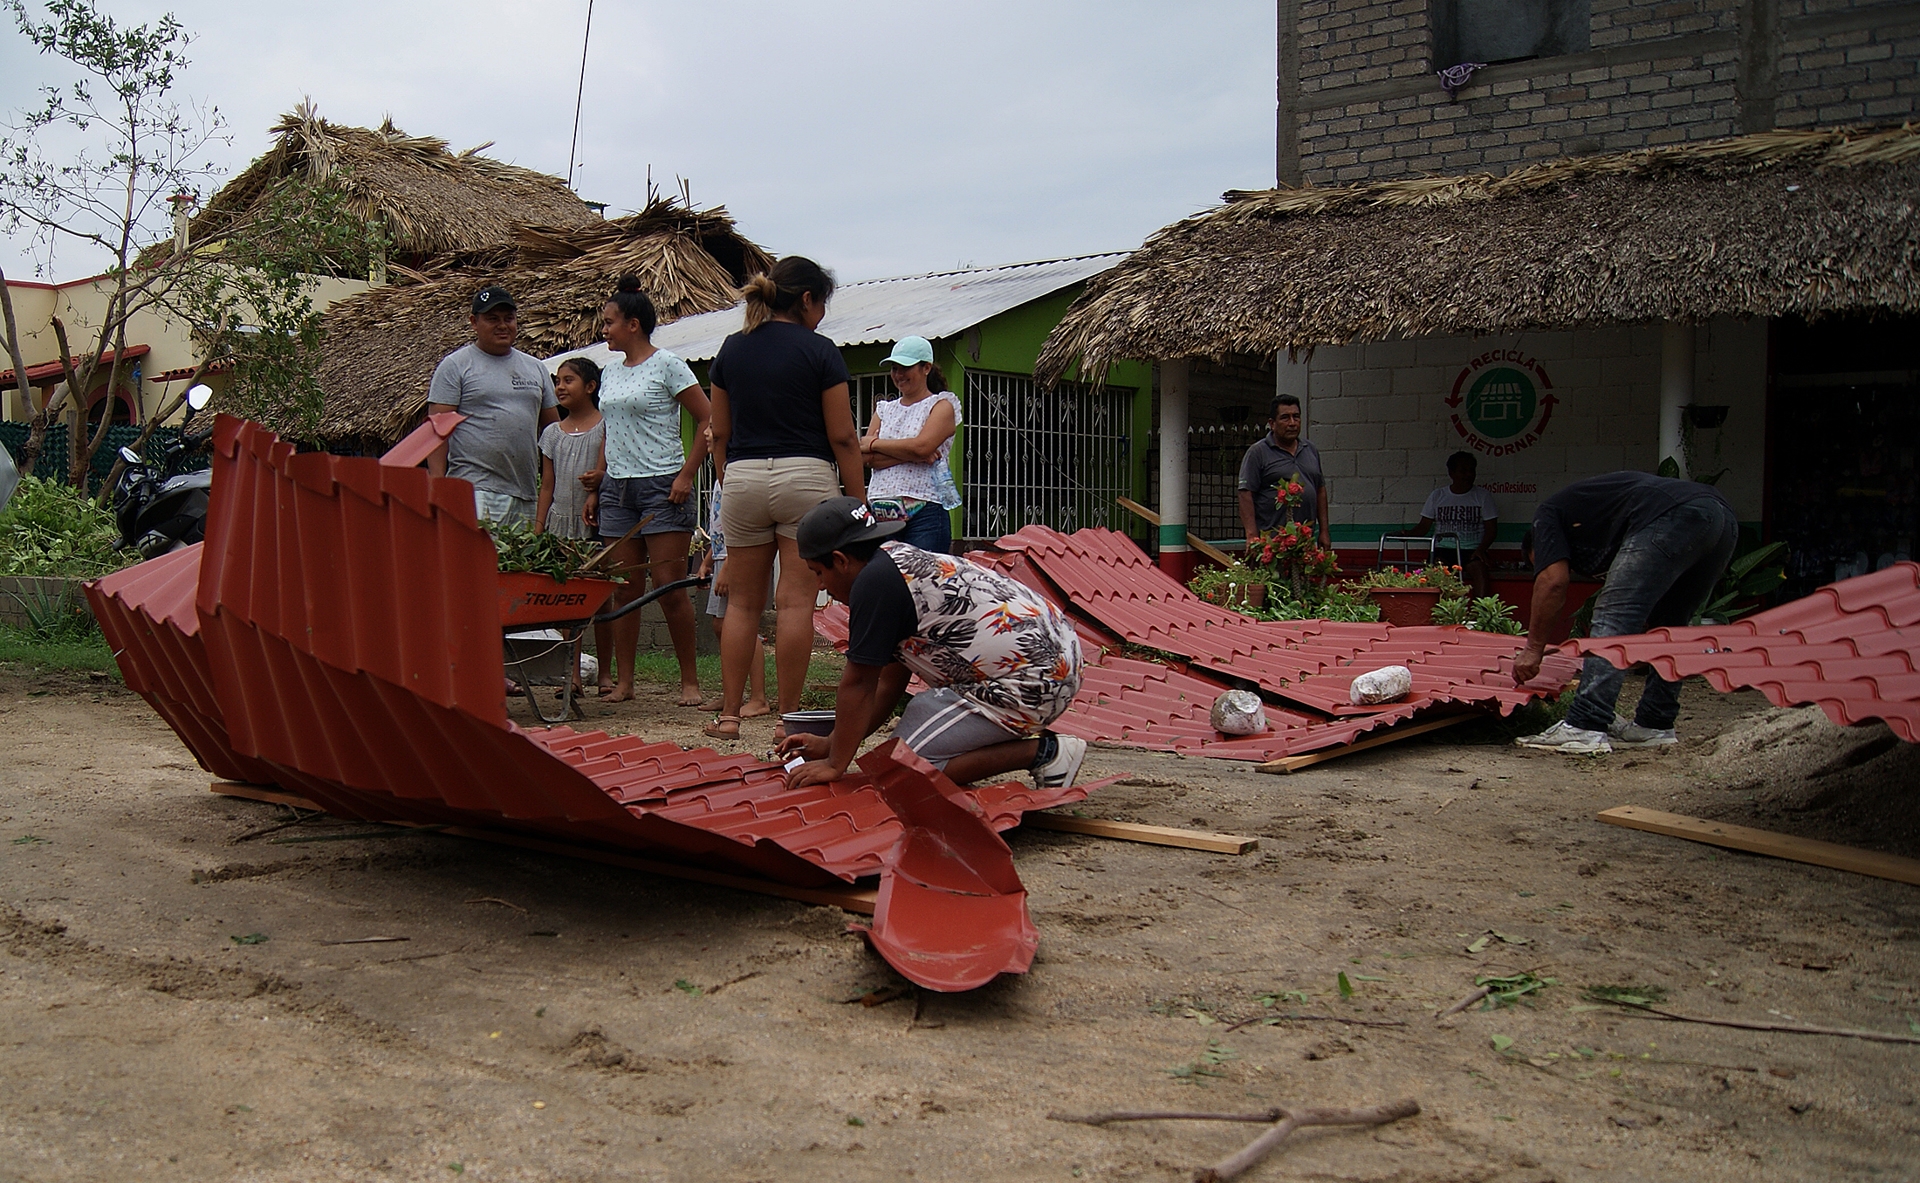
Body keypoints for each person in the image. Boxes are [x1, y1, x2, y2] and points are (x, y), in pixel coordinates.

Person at [777, 497, 1087, 792]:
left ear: (840, 560)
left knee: (898, 770)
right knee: (916, 722)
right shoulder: (894, 564)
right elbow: (890, 679)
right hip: (1056, 662)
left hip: (1034, 679)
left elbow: (859, 684)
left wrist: (834, 764)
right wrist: (833, 742)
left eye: (818, 573)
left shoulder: (874, 585)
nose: (820, 584)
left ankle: (1044, 752)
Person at [705, 256, 864, 741]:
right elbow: (842, 438)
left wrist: (727, 482)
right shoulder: (821, 351)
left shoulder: (732, 349)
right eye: (823, 305)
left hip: (744, 478)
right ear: (809, 300)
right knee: (795, 603)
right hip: (806, 477)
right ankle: (788, 721)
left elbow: (719, 434)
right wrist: (857, 505)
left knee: (743, 605)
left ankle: (730, 717)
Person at [1512, 471, 1738, 754]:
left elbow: (1552, 583)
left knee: (1613, 616)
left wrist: (1533, 649)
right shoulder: (1591, 523)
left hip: (1673, 514)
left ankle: (1584, 725)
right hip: (1721, 519)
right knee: (1671, 626)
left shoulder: (1546, 515)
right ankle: (1655, 725)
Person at [585, 276, 710, 706]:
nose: (604, 330)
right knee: (623, 587)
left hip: (663, 486)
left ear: (633, 325)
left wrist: (686, 475)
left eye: (609, 323)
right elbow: (609, 429)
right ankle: (625, 682)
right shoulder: (609, 372)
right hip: (617, 488)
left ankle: (689, 682)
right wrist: (598, 480)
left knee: (668, 584)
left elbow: (708, 420)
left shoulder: (669, 365)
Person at [426, 285, 559, 524]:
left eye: (509, 318)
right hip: (474, 489)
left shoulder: (536, 368)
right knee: (479, 560)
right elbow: (437, 430)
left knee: (521, 561)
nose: (502, 325)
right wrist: (438, 483)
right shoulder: (455, 365)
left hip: (525, 492)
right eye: (492, 319)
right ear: (474, 322)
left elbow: (554, 430)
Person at [534, 356, 611, 694]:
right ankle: (573, 674)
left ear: (590, 387)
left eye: (569, 380)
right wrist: (539, 528)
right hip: (560, 525)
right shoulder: (552, 433)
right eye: (558, 381)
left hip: (593, 522)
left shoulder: (606, 426)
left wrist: (601, 479)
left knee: (601, 599)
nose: (560, 387)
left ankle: (605, 673)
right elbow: (546, 485)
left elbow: (608, 470)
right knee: (567, 600)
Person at [861, 335, 961, 553]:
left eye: (905, 367)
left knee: (922, 584)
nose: (898, 375)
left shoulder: (942, 405)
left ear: (926, 368)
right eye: (894, 368)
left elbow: (921, 447)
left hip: (925, 514)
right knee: (885, 584)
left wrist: (874, 443)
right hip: (882, 516)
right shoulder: (884, 409)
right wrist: (915, 452)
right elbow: (866, 458)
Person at [695, 475, 769, 718]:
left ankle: (758, 697)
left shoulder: (739, 474)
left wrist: (728, 564)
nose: (706, 435)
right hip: (720, 558)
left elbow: (744, 528)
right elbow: (719, 527)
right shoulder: (719, 478)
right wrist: (708, 560)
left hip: (735, 559)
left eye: (713, 434)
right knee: (720, 625)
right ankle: (731, 694)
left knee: (740, 625)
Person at [1238, 394, 1329, 551]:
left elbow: (1320, 490)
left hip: (1304, 540)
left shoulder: (1310, 450)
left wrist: (1324, 532)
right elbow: (1245, 493)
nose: (1292, 423)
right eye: (1285, 418)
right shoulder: (1258, 452)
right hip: (1272, 542)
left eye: (1296, 417)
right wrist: (1252, 535)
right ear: (1272, 424)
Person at [1417, 451, 1499, 596]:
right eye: (1463, 471)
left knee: (1480, 570)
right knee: (1437, 572)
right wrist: (1404, 533)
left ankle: (1482, 612)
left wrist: (1480, 550)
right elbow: (1423, 527)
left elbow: (1491, 530)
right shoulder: (1438, 495)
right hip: (1443, 549)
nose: (1468, 475)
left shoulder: (1483, 496)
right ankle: (1442, 612)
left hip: (1472, 550)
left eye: (1471, 471)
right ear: (1451, 473)